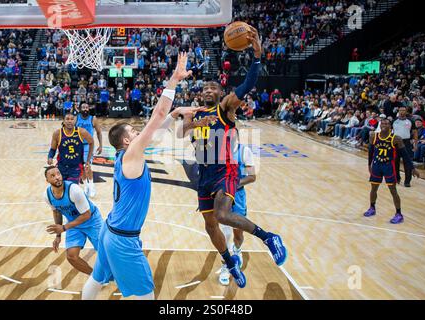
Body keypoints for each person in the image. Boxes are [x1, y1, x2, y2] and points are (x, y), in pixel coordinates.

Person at [178, 27, 287, 289]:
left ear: (221, 91)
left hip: (224, 170)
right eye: (204, 87)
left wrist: (257, 55)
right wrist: (192, 124)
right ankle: (230, 263)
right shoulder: (195, 113)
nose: (207, 89)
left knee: (223, 215)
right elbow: (181, 133)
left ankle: (269, 237)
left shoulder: (225, 107)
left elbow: (248, 85)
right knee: (209, 225)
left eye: (212, 86)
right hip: (204, 175)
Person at [82, 52, 195, 300]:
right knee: (146, 295)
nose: (138, 133)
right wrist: (174, 80)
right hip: (122, 239)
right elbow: (155, 118)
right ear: (125, 140)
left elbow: (155, 133)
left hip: (110, 231)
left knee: (97, 278)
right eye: (134, 131)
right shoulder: (132, 154)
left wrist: (174, 114)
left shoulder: (126, 156)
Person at [44, 166, 103, 274]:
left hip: (92, 221)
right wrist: (58, 236)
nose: (57, 177)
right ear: (47, 180)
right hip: (74, 224)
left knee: (106, 253)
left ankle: (125, 275)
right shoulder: (47, 195)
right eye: (53, 176)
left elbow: (86, 215)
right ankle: (96, 278)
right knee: (71, 257)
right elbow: (57, 212)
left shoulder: (74, 190)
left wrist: (64, 228)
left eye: (58, 174)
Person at [364, 119, 420, 224]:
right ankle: (372, 208)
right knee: (373, 188)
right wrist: (369, 164)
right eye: (383, 123)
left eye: (387, 124)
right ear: (380, 125)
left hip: (388, 166)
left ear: (391, 126)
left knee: (393, 190)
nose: (384, 125)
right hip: (376, 165)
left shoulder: (396, 139)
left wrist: (412, 168)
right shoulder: (373, 136)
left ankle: (399, 214)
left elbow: (405, 155)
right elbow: (370, 152)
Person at [219, 134, 256, 286]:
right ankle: (226, 267)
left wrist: (234, 184)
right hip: (222, 197)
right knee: (225, 235)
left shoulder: (244, 151)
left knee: (238, 234)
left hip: (238, 197)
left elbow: (252, 177)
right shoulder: (217, 153)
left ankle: (238, 249)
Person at [48, 112, 94, 184]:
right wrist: (50, 157)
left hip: (75, 168)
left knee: (71, 188)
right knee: (61, 189)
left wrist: (88, 160)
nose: (70, 121)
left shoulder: (81, 132)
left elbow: (91, 142)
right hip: (61, 167)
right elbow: (53, 149)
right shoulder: (57, 133)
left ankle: (89, 185)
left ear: (75, 121)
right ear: (63, 121)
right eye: (67, 119)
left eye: (72, 119)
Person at [76, 103, 103, 197]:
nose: (85, 109)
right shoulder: (76, 118)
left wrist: (101, 145)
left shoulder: (93, 119)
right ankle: (86, 186)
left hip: (88, 145)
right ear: (80, 109)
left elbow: (99, 132)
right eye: (83, 107)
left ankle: (92, 187)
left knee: (87, 167)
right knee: (81, 168)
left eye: (87, 107)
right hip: (77, 145)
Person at [393, 106, 417, 187]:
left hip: (406, 143)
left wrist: (415, 144)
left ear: (406, 111)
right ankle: (397, 178)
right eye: (400, 110)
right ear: (398, 111)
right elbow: (390, 132)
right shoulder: (394, 121)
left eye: (404, 110)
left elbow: (415, 133)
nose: (402, 112)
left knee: (407, 162)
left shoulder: (410, 121)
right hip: (395, 143)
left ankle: (407, 181)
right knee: (395, 162)